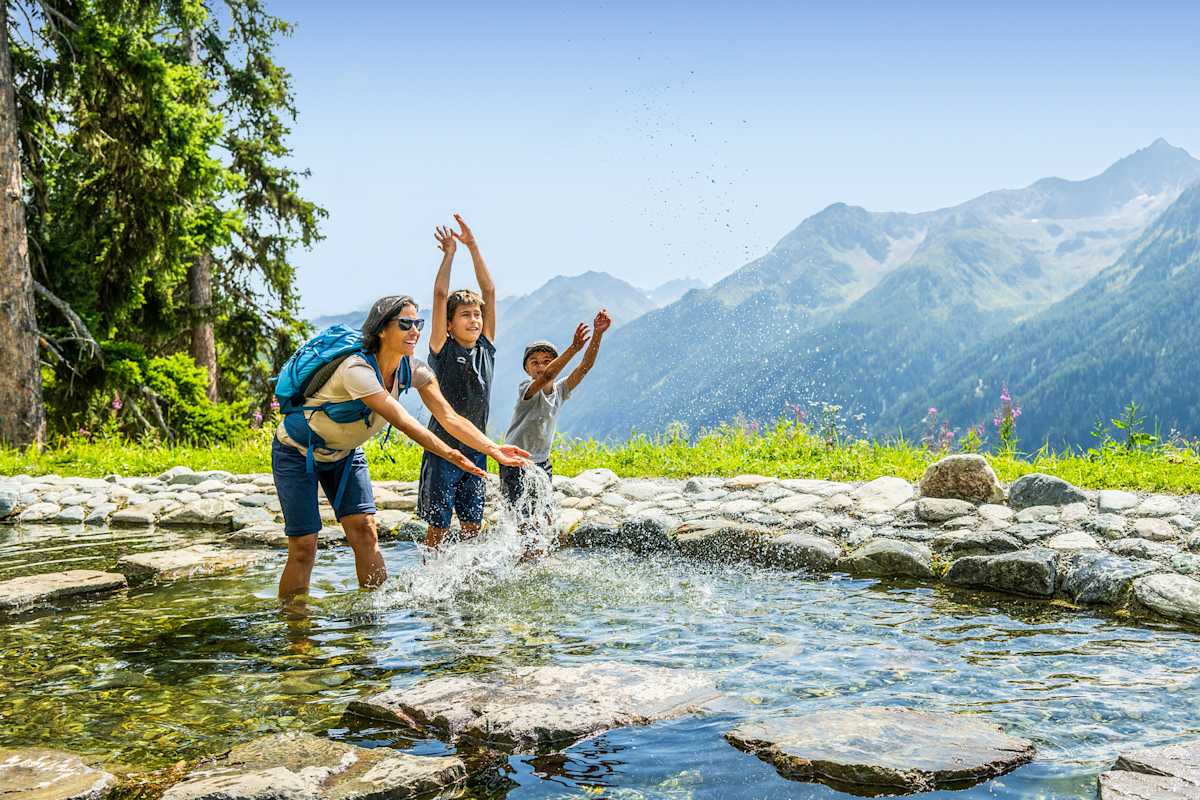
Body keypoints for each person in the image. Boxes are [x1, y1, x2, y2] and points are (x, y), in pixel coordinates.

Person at [273, 293, 529, 601]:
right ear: (381, 329)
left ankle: (374, 618)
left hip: (345, 455)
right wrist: (451, 454)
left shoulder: (415, 370)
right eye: (405, 324)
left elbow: (448, 416)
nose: (415, 331)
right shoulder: (356, 370)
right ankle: (294, 630)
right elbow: (404, 421)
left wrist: (493, 449)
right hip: (297, 453)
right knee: (304, 547)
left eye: (417, 323)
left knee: (366, 532)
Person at [418, 215, 500, 548]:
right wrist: (449, 254)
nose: (475, 320)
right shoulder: (442, 348)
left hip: (477, 448)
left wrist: (473, 246)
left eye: (477, 315)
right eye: (465, 315)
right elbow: (440, 296)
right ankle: (430, 574)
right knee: (437, 527)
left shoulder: (487, 347)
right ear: (449, 324)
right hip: (443, 449)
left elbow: (490, 292)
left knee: (472, 527)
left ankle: (465, 584)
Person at [500, 308, 612, 512]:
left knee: (544, 514)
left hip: (542, 462)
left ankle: (538, 544)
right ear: (526, 369)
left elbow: (584, 367)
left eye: (546, 361)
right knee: (518, 516)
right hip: (514, 462)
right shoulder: (527, 389)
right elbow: (547, 376)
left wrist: (597, 334)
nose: (541, 366)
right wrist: (573, 348)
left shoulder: (561, 391)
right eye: (534, 362)